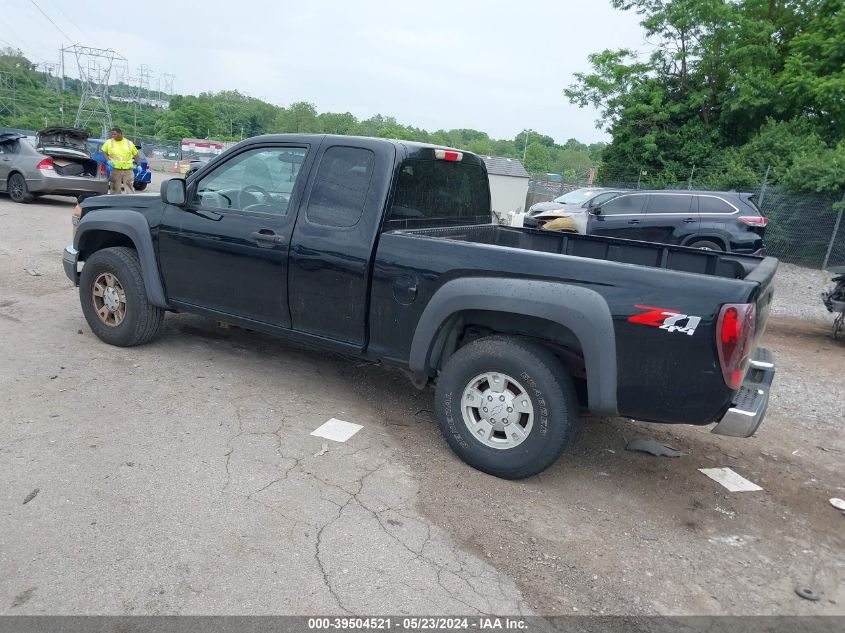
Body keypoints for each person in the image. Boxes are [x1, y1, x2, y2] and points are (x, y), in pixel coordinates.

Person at [101, 127, 141, 194]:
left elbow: (137, 155)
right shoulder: (109, 142)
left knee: (129, 185)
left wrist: (139, 165)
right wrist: (108, 161)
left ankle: (130, 200)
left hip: (128, 169)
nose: (113, 136)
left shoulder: (129, 143)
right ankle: (115, 200)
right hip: (115, 169)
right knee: (115, 186)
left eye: (114, 134)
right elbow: (104, 152)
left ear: (120, 134)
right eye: (112, 134)